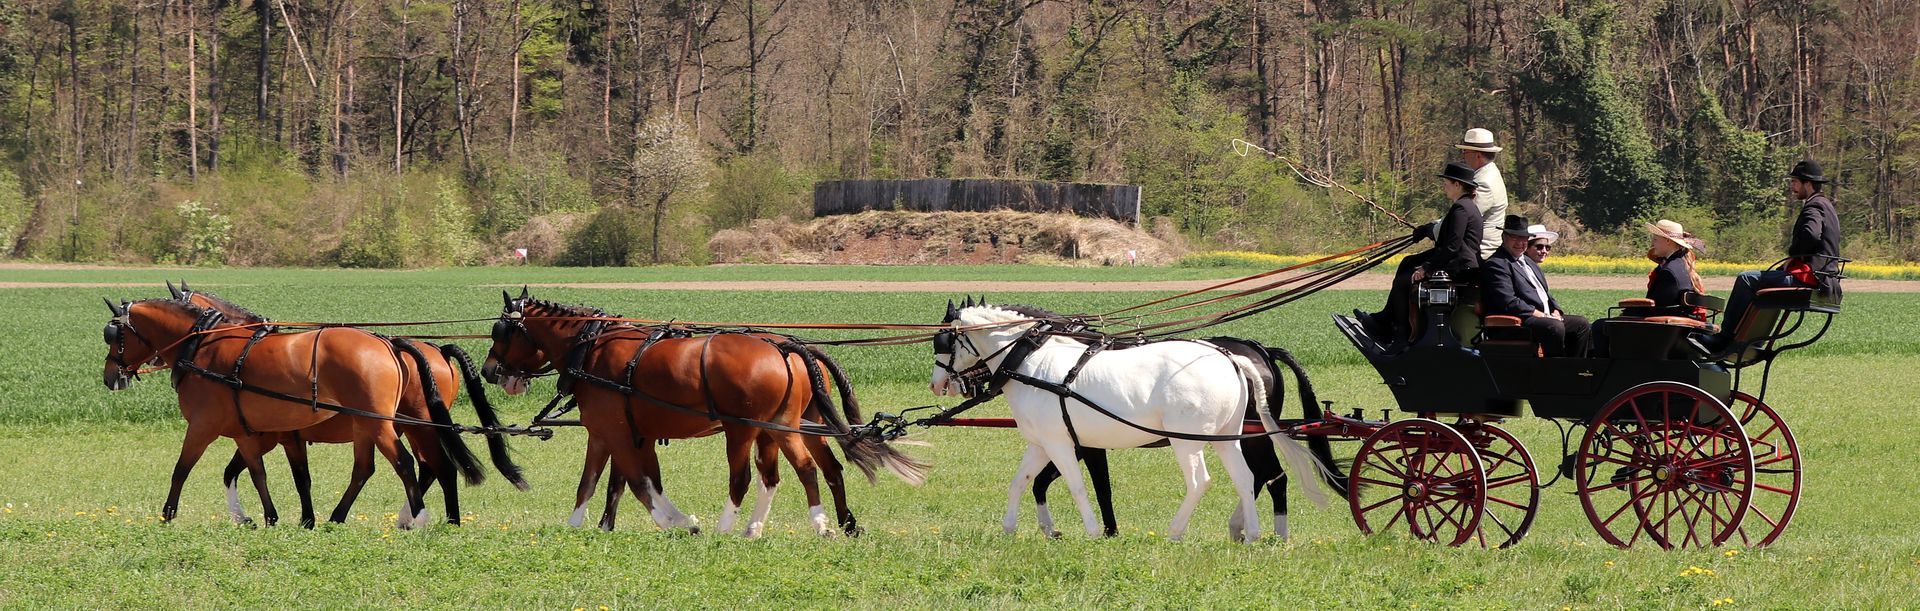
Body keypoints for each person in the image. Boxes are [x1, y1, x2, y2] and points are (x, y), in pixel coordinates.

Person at [1692, 160, 1844, 353]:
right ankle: (1752, 341)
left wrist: (1793, 254)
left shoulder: (1813, 206)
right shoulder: (1827, 205)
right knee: (1760, 280)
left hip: (1810, 278)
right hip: (1825, 280)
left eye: (1795, 182)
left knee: (1746, 279)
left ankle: (1724, 339)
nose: (1792, 187)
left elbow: (1811, 235)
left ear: (1807, 183)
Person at [1355, 161, 1485, 343]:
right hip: (1457, 260)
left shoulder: (1461, 208)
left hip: (1460, 266)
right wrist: (1427, 231)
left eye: (1446, 182)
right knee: (1407, 261)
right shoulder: (1465, 206)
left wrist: (1427, 268)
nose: (1444, 186)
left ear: (1458, 184)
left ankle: (1400, 334)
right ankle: (1385, 319)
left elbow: (1452, 246)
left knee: (1403, 282)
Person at [1482, 215, 1591, 356]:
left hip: (1542, 318)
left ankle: (1574, 369)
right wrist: (1542, 315)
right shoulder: (1497, 264)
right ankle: (1553, 370)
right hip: (1516, 322)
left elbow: (1545, 294)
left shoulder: (1529, 262)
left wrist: (1556, 311)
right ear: (1504, 237)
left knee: (1581, 324)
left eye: (1524, 239)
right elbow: (1508, 302)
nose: (1520, 243)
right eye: (1515, 237)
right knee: (1554, 327)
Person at [1457, 128, 1509, 260]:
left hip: (1480, 250)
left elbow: (1462, 217)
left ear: (1478, 155)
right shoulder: (1487, 173)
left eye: (1465, 151)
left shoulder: (1484, 183)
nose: (1463, 156)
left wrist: (1434, 229)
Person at [1643, 219, 1708, 320]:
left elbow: (1656, 308)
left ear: (1668, 241)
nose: (1652, 243)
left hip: (1664, 328)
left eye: (1655, 239)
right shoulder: (1684, 265)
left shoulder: (1668, 272)